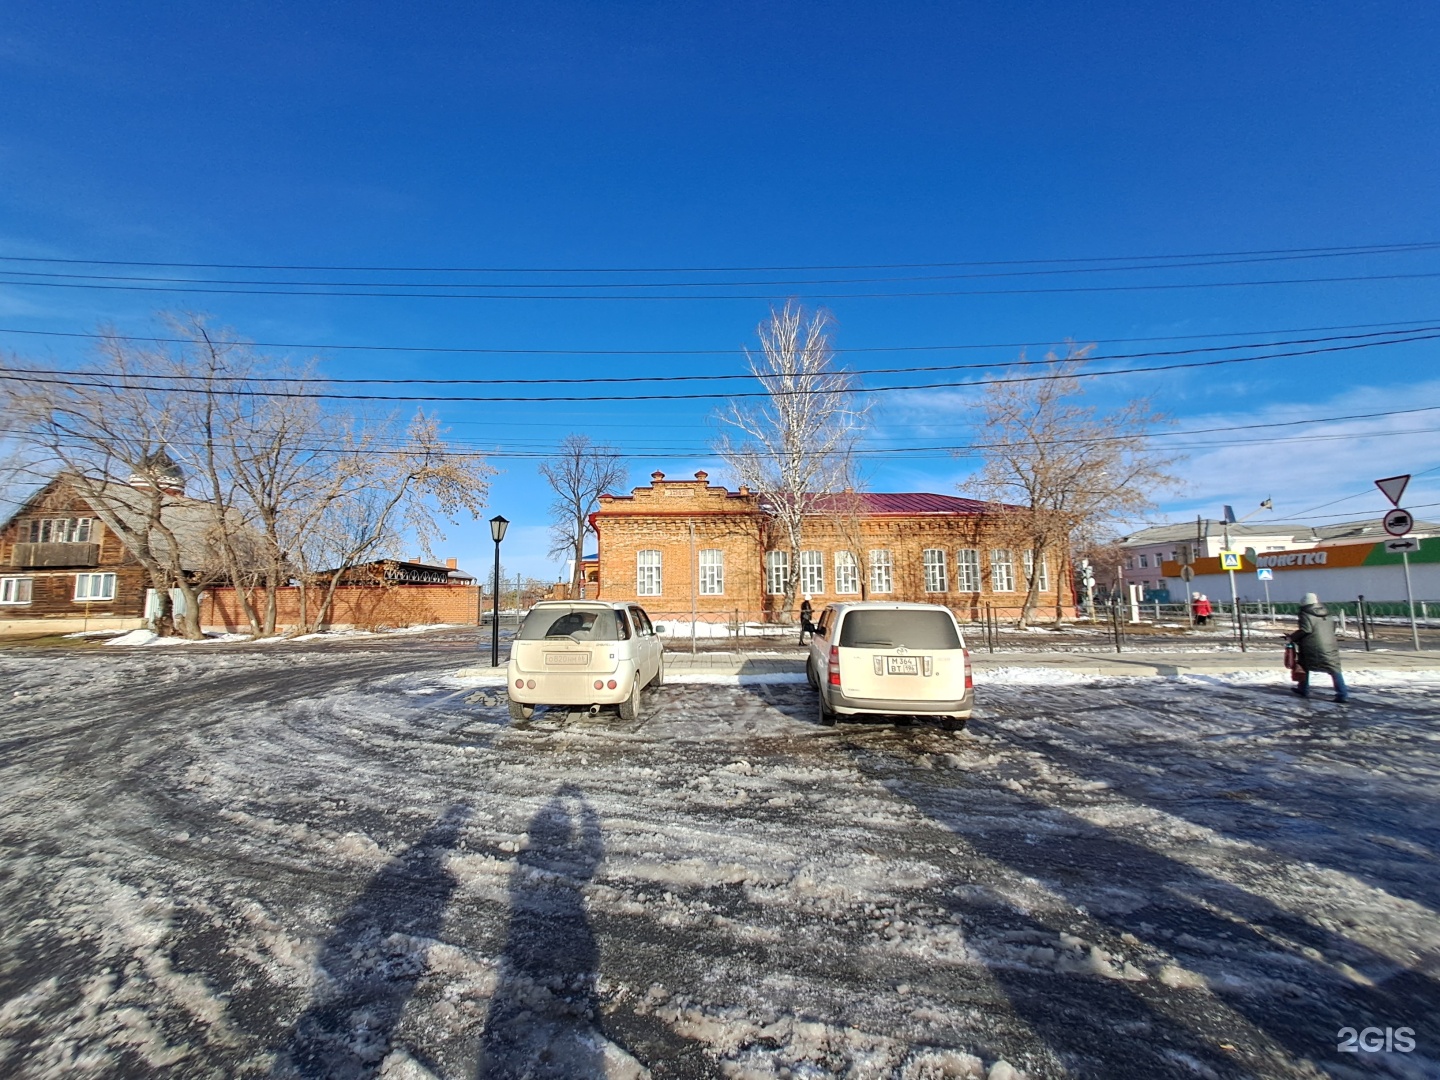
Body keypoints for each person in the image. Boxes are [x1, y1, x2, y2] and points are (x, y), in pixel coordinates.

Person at [1288, 592, 1348, 702]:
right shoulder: (1327, 613)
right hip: (1330, 644)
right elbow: (1332, 628)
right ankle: (1342, 694)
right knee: (1334, 669)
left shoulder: (1305, 613)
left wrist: (1292, 637)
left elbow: (1306, 630)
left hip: (1312, 645)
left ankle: (1303, 689)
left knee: (1304, 665)